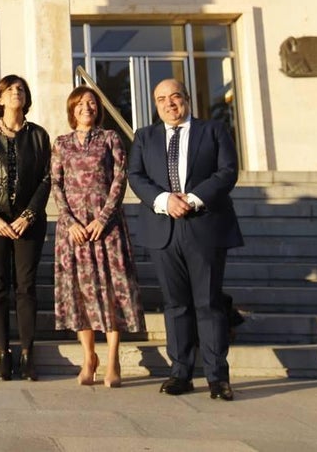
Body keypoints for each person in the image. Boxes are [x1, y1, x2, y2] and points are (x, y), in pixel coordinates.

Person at [127, 78, 243, 401]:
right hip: (163, 230)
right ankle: (180, 373)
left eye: (174, 96)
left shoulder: (214, 130)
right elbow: (135, 176)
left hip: (204, 226)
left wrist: (191, 199)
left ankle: (218, 377)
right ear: (155, 104)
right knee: (176, 305)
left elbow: (227, 171)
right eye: (161, 98)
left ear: (186, 99)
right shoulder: (144, 136)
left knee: (208, 303)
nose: (168, 103)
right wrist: (165, 200)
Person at [51, 86, 145, 389]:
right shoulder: (61, 143)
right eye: (80, 104)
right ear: (72, 109)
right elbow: (56, 183)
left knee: (111, 291)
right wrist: (70, 222)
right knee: (81, 293)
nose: (86, 108)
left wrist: (103, 218)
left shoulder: (110, 138)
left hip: (107, 229)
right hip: (74, 231)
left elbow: (120, 177)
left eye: (91, 103)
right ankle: (88, 357)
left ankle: (113, 358)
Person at [0, 75, 51, 381]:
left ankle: (28, 352)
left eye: (20, 89)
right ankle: (3, 353)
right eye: (9, 90)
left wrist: (29, 214)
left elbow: (47, 178)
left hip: (28, 221)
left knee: (26, 286)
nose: (16, 93)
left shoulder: (39, 136)